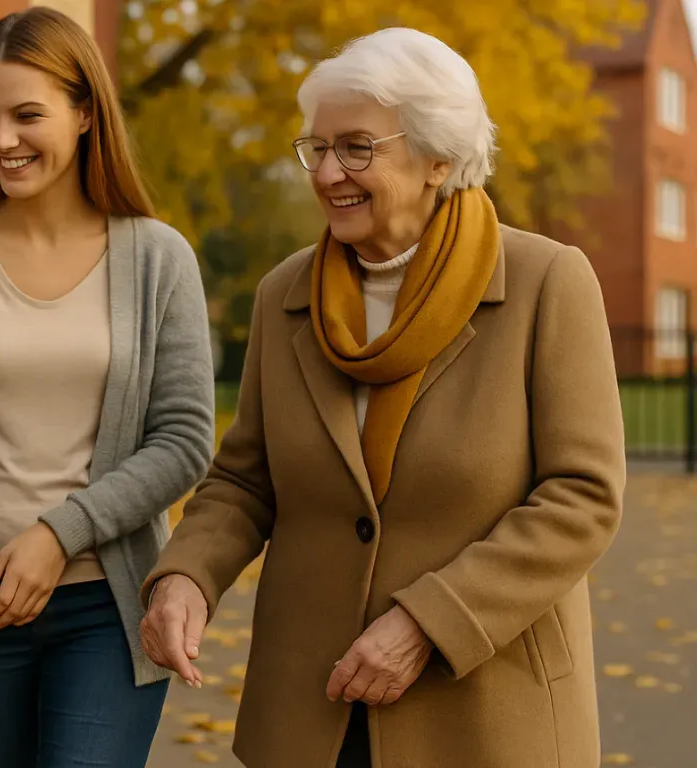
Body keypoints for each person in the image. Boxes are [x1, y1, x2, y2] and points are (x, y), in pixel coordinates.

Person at [140, 27, 626, 768]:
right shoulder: (283, 294)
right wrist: (186, 575)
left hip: (486, 709)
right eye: (316, 147)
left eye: (357, 147)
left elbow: (582, 496)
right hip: (312, 708)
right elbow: (245, 478)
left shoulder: (547, 282)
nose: (328, 171)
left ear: (439, 158)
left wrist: (430, 622)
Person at [0, 7, 216, 768]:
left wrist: (61, 533)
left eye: (27, 115)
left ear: (86, 112)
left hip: (106, 607)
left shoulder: (158, 259)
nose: (2, 139)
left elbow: (184, 439)